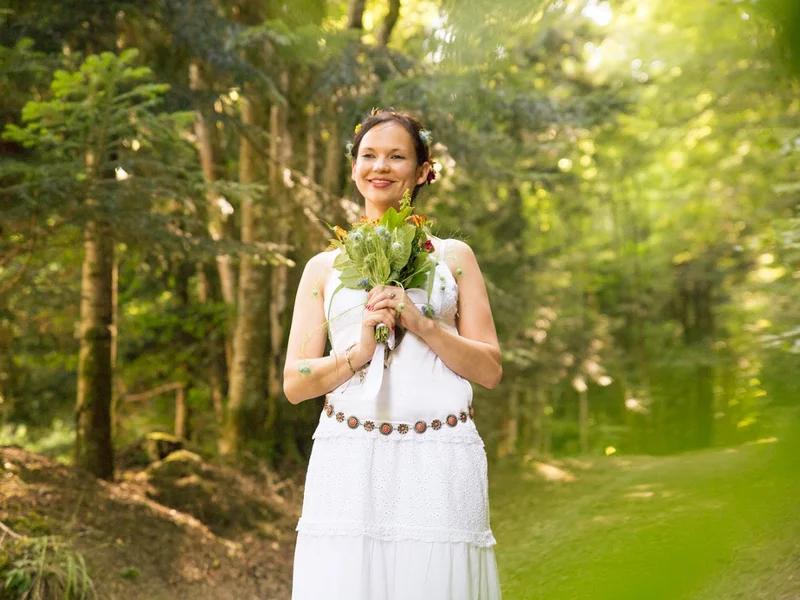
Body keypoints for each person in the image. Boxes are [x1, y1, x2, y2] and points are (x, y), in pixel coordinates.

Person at [283, 109, 503, 600]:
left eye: (397, 156)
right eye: (369, 155)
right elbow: (295, 383)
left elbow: (489, 370)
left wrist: (421, 323)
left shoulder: (453, 259)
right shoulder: (323, 267)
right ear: (355, 166)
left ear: (423, 170)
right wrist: (359, 351)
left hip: (440, 456)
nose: (380, 166)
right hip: (348, 457)